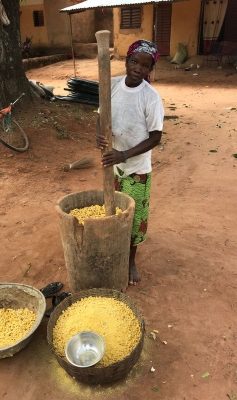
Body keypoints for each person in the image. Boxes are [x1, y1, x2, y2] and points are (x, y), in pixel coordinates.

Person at [96, 39, 164, 286]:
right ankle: (115, 250)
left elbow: (156, 137)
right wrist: (100, 135)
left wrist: (124, 155)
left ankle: (130, 261)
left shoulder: (151, 98)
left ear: (149, 70)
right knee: (113, 211)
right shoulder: (112, 86)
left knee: (134, 217)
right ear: (126, 61)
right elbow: (102, 115)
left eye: (145, 66)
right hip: (114, 165)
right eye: (134, 61)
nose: (138, 68)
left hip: (136, 169)